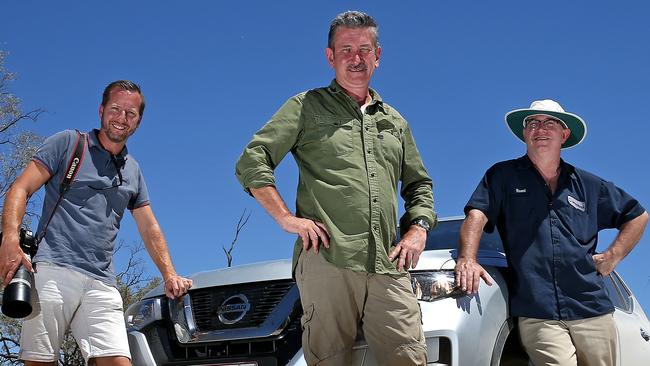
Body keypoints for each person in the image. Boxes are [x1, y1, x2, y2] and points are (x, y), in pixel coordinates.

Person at [235, 10, 435, 366]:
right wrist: (285, 218)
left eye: (364, 49)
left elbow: (419, 184)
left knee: (410, 357)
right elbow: (253, 160)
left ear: (378, 54)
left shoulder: (395, 122)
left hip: (388, 265)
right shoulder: (305, 106)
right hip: (327, 261)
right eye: (345, 49)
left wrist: (417, 230)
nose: (355, 58)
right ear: (330, 57)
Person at [0, 80, 193, 366]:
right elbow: (21, 188)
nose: (122, 118)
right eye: (116, 109)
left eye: (131, 113)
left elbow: (149, 226)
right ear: (102, 110)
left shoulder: (133, 170)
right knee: (39, 362)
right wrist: (9, 240)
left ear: (138, 121)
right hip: (53, 270)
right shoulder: (69, 143)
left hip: (102, 282)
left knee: (118, 361)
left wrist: (169, 274)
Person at [455, 99, 648, 366]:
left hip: (591, 307)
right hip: (538, 311)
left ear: (564, 134)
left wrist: (613, 255)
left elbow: (638, 215)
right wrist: (468, 258)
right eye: (532, 123)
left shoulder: (589, 186)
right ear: (525, 134)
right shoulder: (502, 176)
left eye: (549, 123)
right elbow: (477, 214)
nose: (540, 129)